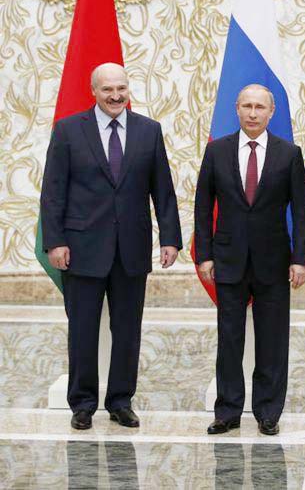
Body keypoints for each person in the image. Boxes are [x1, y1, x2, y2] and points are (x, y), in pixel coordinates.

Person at [40, 62, 182, 430]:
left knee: (128, 329)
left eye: (121, 88)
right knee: (83, 330)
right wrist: (55, 242)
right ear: (94, 91)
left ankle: (121, 401)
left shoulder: (149, 131)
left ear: (128, 88)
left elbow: (162, 191)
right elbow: (53, 193)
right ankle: (82, 404)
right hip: (82, 249)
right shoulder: (69, 130)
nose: (116, 95)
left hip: (131, 250)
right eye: (107, 90)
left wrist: (170, 239)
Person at [194, 84, 305, 436]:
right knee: (229, 338)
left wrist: (301, 258)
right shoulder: (217, 151)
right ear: (237, 109)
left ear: (271, 112)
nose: (253, 113)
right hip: (228, 259)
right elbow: (203, 208)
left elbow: (302, 211)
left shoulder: (288, 153)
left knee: (272, 339)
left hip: (274, 261)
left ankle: (268, 411)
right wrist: (204, 255)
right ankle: (228, 410)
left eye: (260, 107)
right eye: (246, 105)